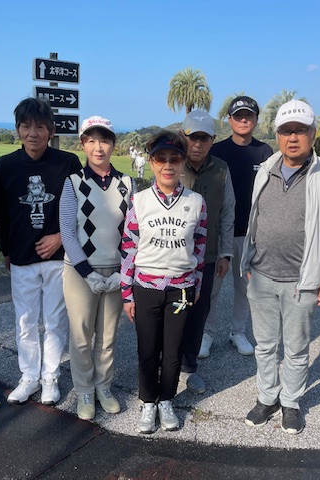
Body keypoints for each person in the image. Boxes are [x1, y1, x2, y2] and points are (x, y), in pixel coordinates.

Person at [241, 99, 320, 435]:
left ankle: (291, 402)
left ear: (313, 134)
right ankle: (267, 397)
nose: (293, 137)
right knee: (265, 345)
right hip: (261, 275)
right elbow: (256, 218)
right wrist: (248, 259)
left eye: (300, 130)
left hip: (302, 280)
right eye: (286, 131)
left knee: (298, 348)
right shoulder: (266, 169)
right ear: (277, 135)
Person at [0, 97, 81, 406]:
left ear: (51, 131)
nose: (33, 133)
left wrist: (60, 237)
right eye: (26, 126)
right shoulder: (5, 165)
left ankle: (50, 378)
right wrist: (6, 251)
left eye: (40, 127)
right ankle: (29, 377)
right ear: (18, 130)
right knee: (25, 322)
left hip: (58, 258)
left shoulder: (67, 162)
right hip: (21, 257)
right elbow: (2, 213)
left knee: (56, 321)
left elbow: (81, 207)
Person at [121, 130, 207, 434]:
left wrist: (196, 286)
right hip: (146, 287)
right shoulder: (139, 201)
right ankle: (148, 402)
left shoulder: (196, 201)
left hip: (181, 288)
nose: (168, 165)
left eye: (174, 159)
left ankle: (166, 400)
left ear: (182, 162)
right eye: (161, 159)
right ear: (151, 162)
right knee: (147, 349)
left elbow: (200, 246)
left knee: (172, 351)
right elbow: (129, 248)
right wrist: (127, 294)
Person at [60, 116, 134, 420]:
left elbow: (131, 232)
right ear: (83, 144)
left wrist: (123, 273)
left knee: (107, 338)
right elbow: (67, 232)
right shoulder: (73, 182)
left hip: (115, 271)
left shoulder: (127, 183)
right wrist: (87, 273)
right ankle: (85, 391)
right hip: (81, 274)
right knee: (81, 337)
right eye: (91, 140)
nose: (98, 147)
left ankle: (103, 387)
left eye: (104, 140)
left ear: (113, 144)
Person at [202, 96, 273, 358]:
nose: (244, 120)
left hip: (249, 233)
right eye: (238, 116)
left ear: (256, 120)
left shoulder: (265, 152)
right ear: (230, 120)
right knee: (212, 289)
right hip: (219, 232)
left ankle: (237, 331)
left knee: (245, 288)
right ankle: (207, 333)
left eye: (249, 116)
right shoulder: (217, 151)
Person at [179, 110, 235, 394]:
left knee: (198, 314)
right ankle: (166, 366)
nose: (197, 144)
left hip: (208, 256)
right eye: (193, 138)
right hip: (173, 257)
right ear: (183, 137)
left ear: (213, 140)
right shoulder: (172, 163)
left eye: (204, 138)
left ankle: (188, 369)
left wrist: (225, 253)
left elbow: (227, 213)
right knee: (172, 314)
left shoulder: (222, 169)